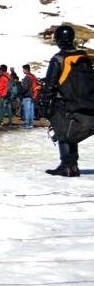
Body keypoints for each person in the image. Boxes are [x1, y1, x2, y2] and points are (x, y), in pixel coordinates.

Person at [39, 25, 93, 177]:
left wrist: (45, 106)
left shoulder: (59, 59)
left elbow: (50, 86)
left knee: (63, 129)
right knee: (70, 130)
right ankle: (72, 165)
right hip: (84, 103)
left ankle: (67, 165)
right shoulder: (83, 57)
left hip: (66, 103)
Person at [20, 64, 39, 129]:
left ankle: (27, 124)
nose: (23, 71)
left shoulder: (27, 77)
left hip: (27, 96)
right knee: (31, 110)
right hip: (33, 96)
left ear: (26, 69)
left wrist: (20, 92)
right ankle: (31, 123)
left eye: (23, 69)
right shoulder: (33, 76)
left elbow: (25, 88)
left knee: (27, 110)